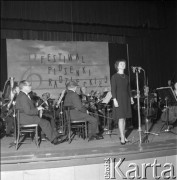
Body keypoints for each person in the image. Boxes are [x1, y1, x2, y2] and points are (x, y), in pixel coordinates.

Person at [15, 80, 62, 145]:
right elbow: (28, 111)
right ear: (24, 87)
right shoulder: (23, 96)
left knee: (46, 120)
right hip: (26, 118)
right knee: (45, 122)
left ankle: (55, 136)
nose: (31, 87)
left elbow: (28, 109)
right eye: (29, 85)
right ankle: (54, 140)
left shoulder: (22, 95)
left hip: (25, 117)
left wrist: (37, 109)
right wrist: (38, 109)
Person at [111, 60, 134, 145]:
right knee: (121, 118)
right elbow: (113, 89)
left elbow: (129, 89)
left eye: (124, 63)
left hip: (126, 99)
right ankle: (122, 138)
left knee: (124, 118)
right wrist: (114, 100)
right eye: (121, 64)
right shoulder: (114, 77)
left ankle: (123, 135)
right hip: (119, 99)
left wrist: (131, 97)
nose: (123, 64)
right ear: (117, 66)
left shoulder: (127, 77)